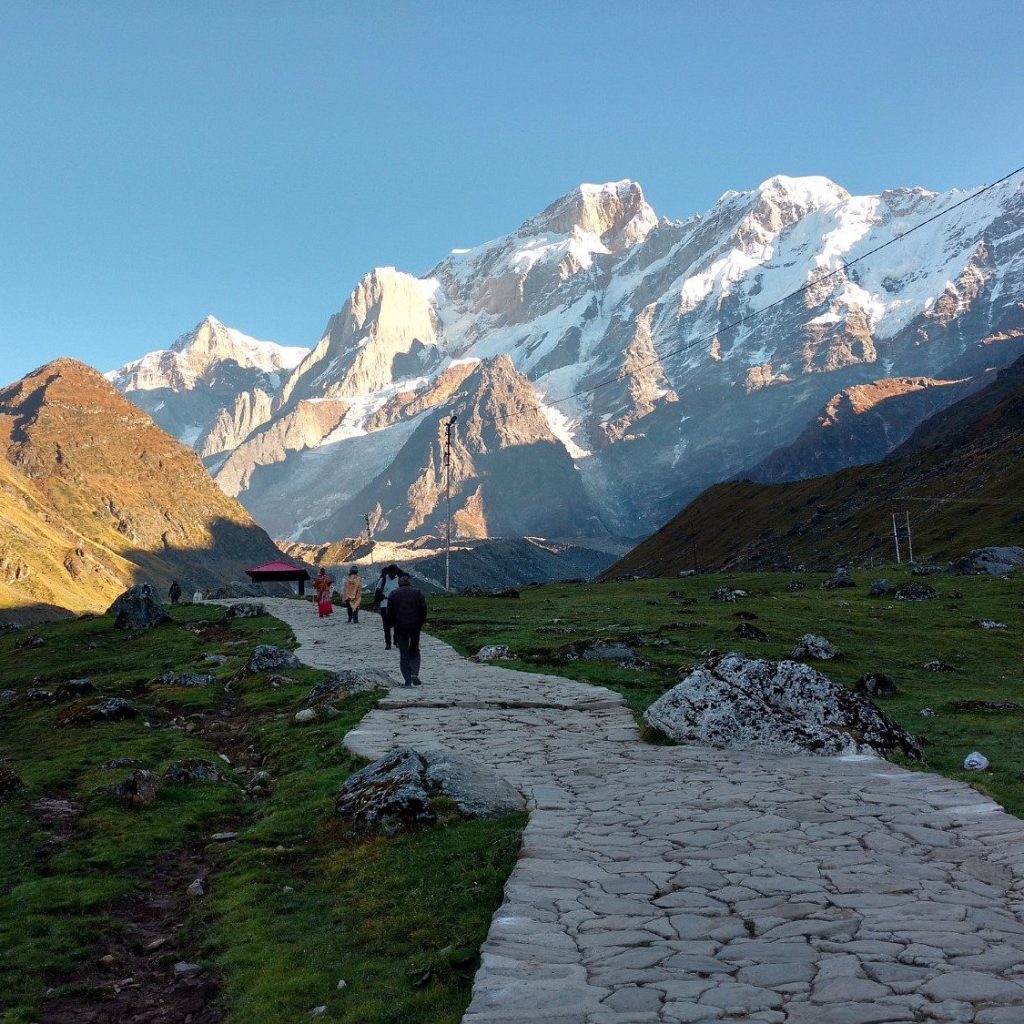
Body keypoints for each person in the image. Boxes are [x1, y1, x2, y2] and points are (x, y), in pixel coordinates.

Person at [385, 574, 427, 686]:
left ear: (399, 583)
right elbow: (423, 611)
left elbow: (389, 613)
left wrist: (393, 624)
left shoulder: (393, 594)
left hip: (400, 627)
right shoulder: (417, 592)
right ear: (409, 582)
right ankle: (414, 673)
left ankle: (407, 680)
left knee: (403, 654)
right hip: (415, 626)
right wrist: (420, 623)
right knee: (414, 650)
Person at [373, 564, 401, 649]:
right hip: (384, 604)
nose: (392, 574)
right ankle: (388, 643)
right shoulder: (383, 580)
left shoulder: (398, 580)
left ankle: (396, 641)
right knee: (386, 625)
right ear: (388, 572)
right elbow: (377, 593)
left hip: (396, 604)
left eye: (394, 572)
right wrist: (376, 604)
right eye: (391, 572)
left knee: (397, 624)